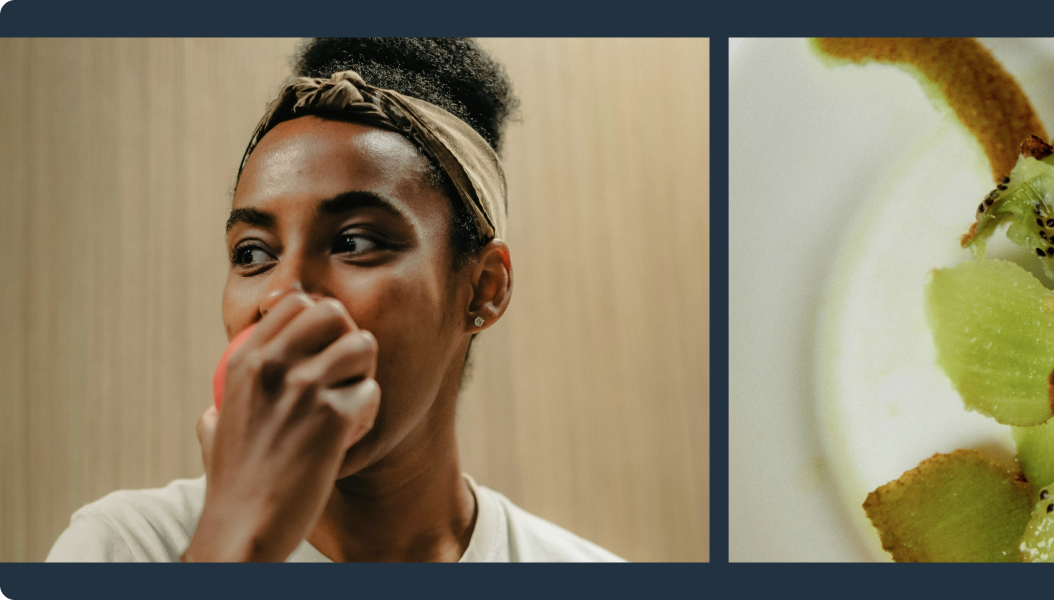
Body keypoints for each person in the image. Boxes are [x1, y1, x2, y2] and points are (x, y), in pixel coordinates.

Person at [46, 38, 623, 562]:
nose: (283, 296)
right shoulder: (122, 548)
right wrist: (236, 541)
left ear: (484, 289)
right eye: (252, 254)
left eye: (354, 242)